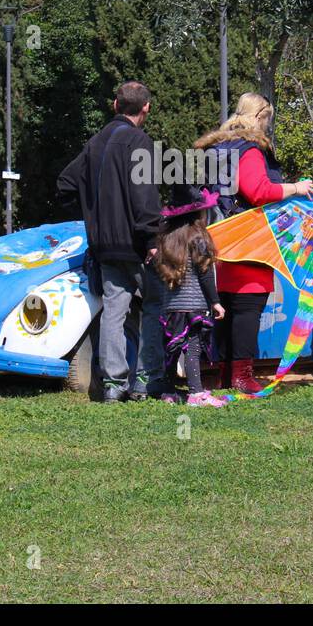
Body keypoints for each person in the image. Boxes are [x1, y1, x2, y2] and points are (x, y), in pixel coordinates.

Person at [195, 92, 313, 394]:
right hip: (246, 238)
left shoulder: (217, 148)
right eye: (267, 121)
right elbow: (259, 191)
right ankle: (241, 376)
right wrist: (296, 188)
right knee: (248, 306)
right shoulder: (247, 150)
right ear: (260, 117)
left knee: (225, 307)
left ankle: (223, 373)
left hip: (218, 236)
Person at [56, 81, 165, 402]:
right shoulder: (140, 142)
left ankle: (114, 386)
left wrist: (94, 214)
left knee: (114, 313)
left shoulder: (95, 144)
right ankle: (146, 383)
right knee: (153, 308)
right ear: (146, 109)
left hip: (103, 246)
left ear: (115, 105)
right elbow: (144, 196)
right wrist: (151, 238)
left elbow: (65, 185)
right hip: (136, 244)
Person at [154, 186, 227, 407]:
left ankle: (168, 391)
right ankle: (196, 394)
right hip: (195, 304)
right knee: (193, 348)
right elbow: (205, 274)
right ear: (197, 214)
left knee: (173, 348)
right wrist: (215, 301)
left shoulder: (166, 238)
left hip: (171, 306)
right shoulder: (198, 237)